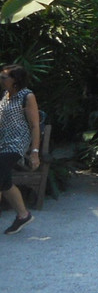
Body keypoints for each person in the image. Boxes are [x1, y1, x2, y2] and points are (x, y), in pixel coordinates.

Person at [0, 64, 39, 235]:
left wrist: (35, 152)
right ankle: (23, 215)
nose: (1, 80)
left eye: (4, 77)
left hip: (16, 143)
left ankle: (23, 215)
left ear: (15, 80)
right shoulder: (5, 95)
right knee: (4, 180)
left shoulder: (27, 96)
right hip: (2, 142)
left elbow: (35, 125)